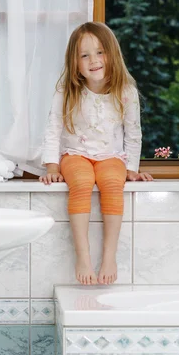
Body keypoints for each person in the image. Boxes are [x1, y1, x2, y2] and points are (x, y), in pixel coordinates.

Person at [39, 22, 153, 285]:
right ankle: (83, 257)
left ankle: (109, 257)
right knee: (80, 182)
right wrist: (52, 167)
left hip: (111, 156)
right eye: (84, 55)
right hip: (75, 154)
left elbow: (133, 132)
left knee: (113, 183)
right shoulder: (67, 91)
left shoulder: (126, 92)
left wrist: (132, 169)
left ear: (112, 53)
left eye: (100, 52)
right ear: (75, 62)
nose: (94, 60)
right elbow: (53, 128)